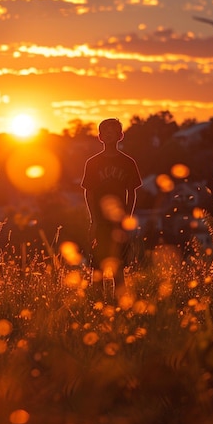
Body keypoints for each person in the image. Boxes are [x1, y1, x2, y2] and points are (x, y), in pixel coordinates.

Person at [81, 118, 142, 294]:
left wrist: (128, 219)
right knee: (97, 268)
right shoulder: (92, 163)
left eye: (113, 131)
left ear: (120, 136)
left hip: (119, 223)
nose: (108, 134)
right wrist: (93, 221)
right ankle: (97, 305)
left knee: (119, 268)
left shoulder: (128, 163)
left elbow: (132, 192)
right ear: (99, 137)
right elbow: (89, 192)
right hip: (100, 223)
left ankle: (120, 306)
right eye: (105, 131)